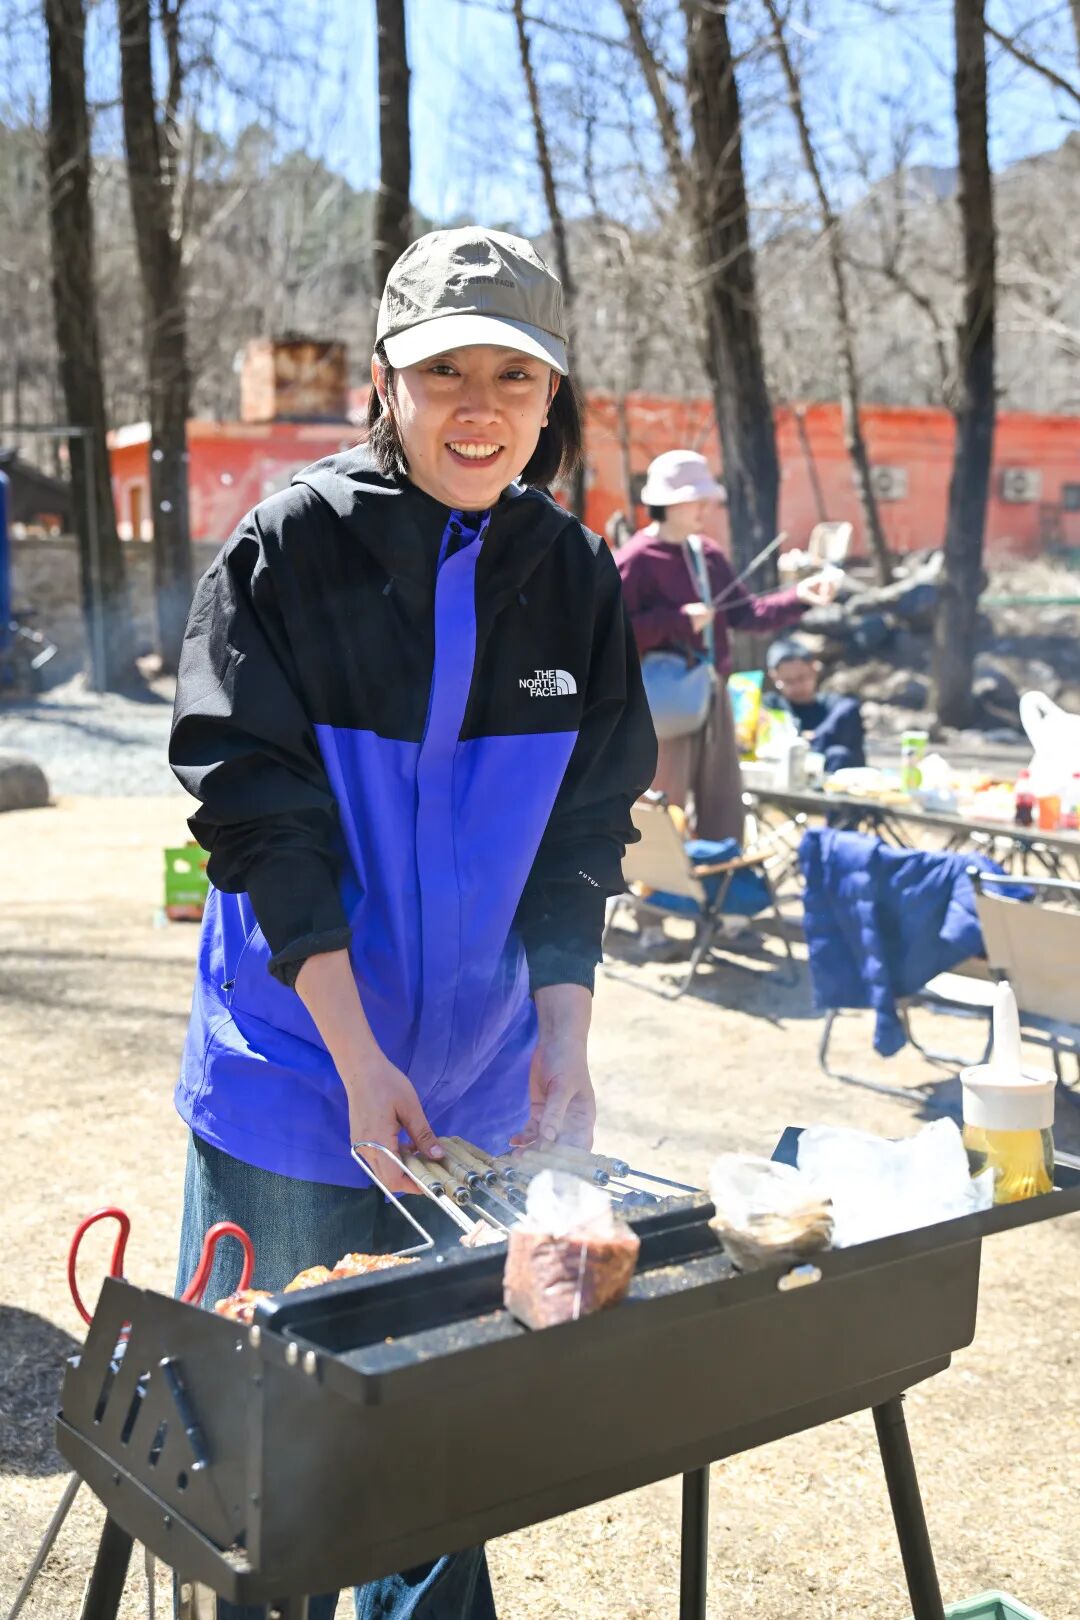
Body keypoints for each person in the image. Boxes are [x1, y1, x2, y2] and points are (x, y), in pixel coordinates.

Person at [168, 226, 656, 1620]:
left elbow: (581, 838)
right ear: (385, 380)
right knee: (268, 1481)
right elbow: (258, 818)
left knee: (440, 1476)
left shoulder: (576, 579)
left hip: (475, 1112)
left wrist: (563, 1038)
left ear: (552, 400)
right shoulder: (287, 549)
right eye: (447, 371)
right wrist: (354, 1054)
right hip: (295, 1081)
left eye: (516, 375)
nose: (479, 407)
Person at [616, 449, 836, 845]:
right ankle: (655, 883)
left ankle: (720, 877)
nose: (706, 507)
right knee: (662, 807)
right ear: (668, 502)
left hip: (713, 694)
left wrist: (800, 596)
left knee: (722, 805)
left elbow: (749, 614)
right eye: (696, 498)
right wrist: (677, 621)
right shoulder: (635, 559)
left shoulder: (708, 555)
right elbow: (611, 633)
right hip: (660, 702)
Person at [765, 636, 866, 774]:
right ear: (774, 677)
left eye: (802, 678)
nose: (797, 686)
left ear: (814, 669)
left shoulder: (835, 708)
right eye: (788, 681)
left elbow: (849, 709)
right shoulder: (771, 706)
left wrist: (817, 737)